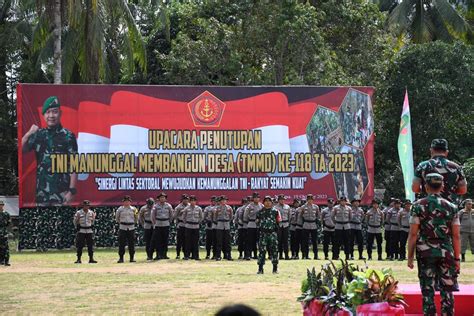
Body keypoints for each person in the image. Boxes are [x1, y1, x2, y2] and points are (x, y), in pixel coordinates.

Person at [408, 173, 460, 316]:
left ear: (425, 186)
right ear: (442, 186)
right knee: (447, 289)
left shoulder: (417, 206)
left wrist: (410, 257)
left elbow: (413, 234)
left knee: (427, 290)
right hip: (446, 252)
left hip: (425, 252)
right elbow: (456, 235)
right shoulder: (452, 207)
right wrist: (457, 258)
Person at [21, 96, 78, 206]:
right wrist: (28, 133)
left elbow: (75, 164)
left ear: (60, 113)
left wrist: (72, 191)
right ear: (44, 115)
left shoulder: (68, 136)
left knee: (61, 223)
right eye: (48, 112)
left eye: (54, 112)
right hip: (42, 193)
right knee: (42, 222)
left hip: (62, 193)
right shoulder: (38, 134)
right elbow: (22, 149)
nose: (51, 116)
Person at [412, 138, 467, 204]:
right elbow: (463, 190)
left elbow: (415, 188)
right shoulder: (456, 167)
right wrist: (450, 192)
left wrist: (425, 190)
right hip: (449, 207)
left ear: (431, 150)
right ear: (446, 152)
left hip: (426, 206)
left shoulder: (422, 166)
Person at [256, 196, 280, 274]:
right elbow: (257, 222)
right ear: (263, 203)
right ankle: (260, 268)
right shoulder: (260, 212)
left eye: (269, 201)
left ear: (272, 203)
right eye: (266, 201)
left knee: (274, 251)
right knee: (262, 251)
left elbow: (278, 221)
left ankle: (275, 268)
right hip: (263, 234)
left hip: (272, 233)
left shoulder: (275, 211)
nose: (267, 202)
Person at [115, 195, 138, 263]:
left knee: (131, 243)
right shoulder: (120, 209)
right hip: (123, 228)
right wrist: (122, 223)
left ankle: (132, 258)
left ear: (130, 202)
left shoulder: (134, 209)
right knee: (121, 243)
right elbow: (117, 218)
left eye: (128, 201)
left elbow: (136, 217)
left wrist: (133, 223)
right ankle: (121, 258)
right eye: (125, 201)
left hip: (131, 228)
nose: (127, 203)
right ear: (123, 202)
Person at [151, 192, 173, 260]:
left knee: (165, 240)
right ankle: (158, 255)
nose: (162, 199)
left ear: (165, 199)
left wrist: (169, 222)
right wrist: (155, 223)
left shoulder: (168, 206)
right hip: (158, 224)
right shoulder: (155, 206)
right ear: (159, 199)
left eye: (163, 197)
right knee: (158, 240)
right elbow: (153, 215)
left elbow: (171, 215)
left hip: (166, 224)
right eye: (161, 198)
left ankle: (164, 254)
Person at [298, 194, 320, 260]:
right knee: (305, 241)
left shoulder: (316, 207)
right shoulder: (303, 207)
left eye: (311, 199)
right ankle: (305, 255)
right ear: (307, 200)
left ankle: (316, 255)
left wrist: (317, 224)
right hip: (306, 224)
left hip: (313, 224)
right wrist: (301, 224)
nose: (310, 200)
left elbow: (317, 215)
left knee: (314, 241)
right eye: (309, 199)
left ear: (313, 200)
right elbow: (300, 216)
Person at [183, 195, 203, 260]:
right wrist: (187, 223)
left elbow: (201, 217)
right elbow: (184, 218)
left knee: (195, 242)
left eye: (194, 201)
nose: (193, 202)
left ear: (196, 201)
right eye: (191, 201)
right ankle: (187, 255)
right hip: (188, 226)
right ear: (190, 201)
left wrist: (197, 222)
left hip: (196, 226)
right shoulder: (186, 208)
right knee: (187, 242)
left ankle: (195, 256)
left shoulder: (199, 208)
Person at [214, 196, 233, 261]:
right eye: (222, 200)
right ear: (220, 201)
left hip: (227, 225)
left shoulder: (229, 208)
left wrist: (227, 221)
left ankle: (229, 255)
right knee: (219, 241)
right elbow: (215, 217)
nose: (224, 201)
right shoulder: (217, 208)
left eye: (225, 200)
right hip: (219, 225)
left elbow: (231, 217)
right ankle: (218, 256)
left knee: (228, 242)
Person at [244, 192, 262, 260]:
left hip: (259, 225)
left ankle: (255, 254)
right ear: (253, 198)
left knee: (258, 241)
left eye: (258, 197)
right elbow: (245, 216)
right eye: (255, 198)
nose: (256, 199)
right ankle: (248, 255)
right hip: (251, 224)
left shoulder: (261, 206)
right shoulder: (249, 206)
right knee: (250, 241)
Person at [275, 194, 291, 260]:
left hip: (286, 224)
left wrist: (288, 223)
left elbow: (289, 216)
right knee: (279, 241)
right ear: (278, 200)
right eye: (280, 199)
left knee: (286, 241)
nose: (282, 201)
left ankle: (286, 255)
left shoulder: (287, 207)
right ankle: (280, 255)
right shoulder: (275, 207)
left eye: (283, 199)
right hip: (279, 225)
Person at [174, 194, 189, 259]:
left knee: (186, 241)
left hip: (188, 225)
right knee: (179, 240)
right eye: (184, 199)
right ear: (182, 200)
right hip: (180, 225)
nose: (185, 200)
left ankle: (186, 254)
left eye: (187, 199)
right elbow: (175, 216)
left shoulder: (189, 206)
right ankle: (178, 254)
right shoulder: (178, 207)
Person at [0, 200, 11, 266]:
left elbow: (8, 223)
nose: (0, 206)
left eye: (1, 205)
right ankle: (1, 261)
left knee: (5, 247)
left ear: (3, 205)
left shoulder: (6, 214)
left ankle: (6, 261)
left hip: (4, 233)